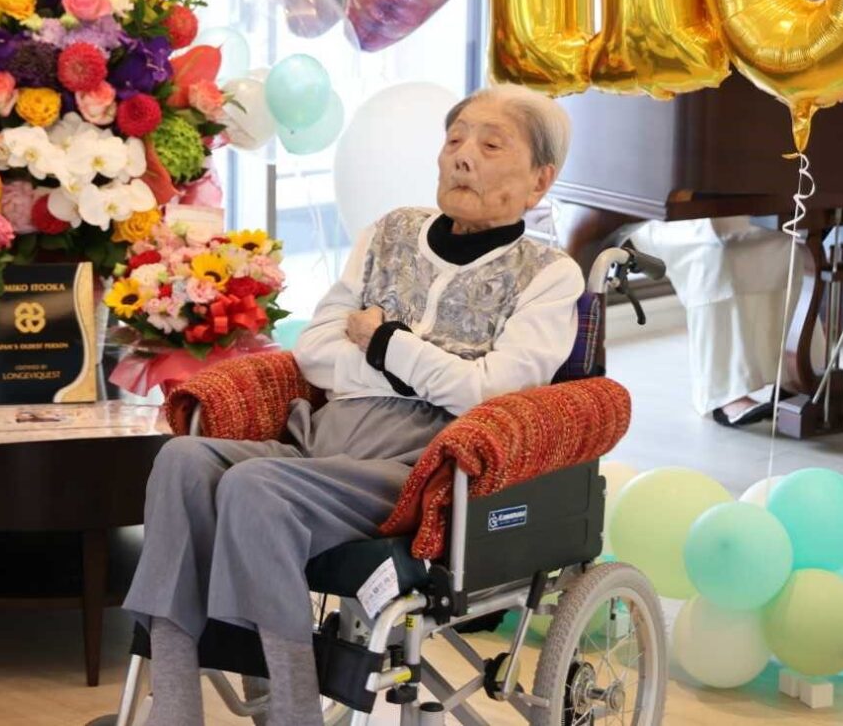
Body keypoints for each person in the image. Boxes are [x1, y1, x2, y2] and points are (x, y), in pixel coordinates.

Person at [123, 83, 586, 726]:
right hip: (319, 438)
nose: (461, 156)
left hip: (417, 466)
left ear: (539, 179)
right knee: (181, 460)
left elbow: (492, 392)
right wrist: (423, 368)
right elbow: (314, 351)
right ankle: (174, 702)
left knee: (257, 486)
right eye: (454, 139)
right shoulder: (389, 232)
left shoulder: (549, 272)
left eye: (489, 143)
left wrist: (386, 342)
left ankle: (293, 712)